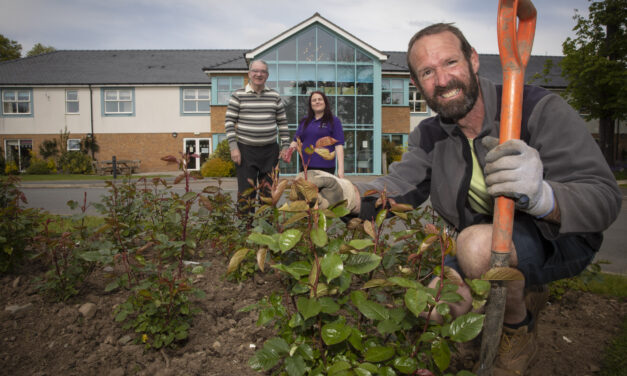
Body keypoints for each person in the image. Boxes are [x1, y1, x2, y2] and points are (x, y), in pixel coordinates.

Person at [303, 23, 622, 375]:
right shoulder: (430, 134)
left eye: (451, 62)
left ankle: (518, 329)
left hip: (560, 238)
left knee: (474, 247)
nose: (442, 80)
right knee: (434, 306)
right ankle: (481, 326)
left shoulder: (536, 108)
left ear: (473, 60)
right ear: (416, 84)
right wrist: (348, 195)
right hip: (485, 243)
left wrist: (542, 195)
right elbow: (400, 184)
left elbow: (604, 197)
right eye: (427, 71)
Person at [225, 60, 290, 213]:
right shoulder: (238, 95)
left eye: (263, 72)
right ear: (249, 73)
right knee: (246, 193)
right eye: (255, 71)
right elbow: (229, 122)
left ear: (267, 75)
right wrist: (233, 148)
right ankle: (245, 230)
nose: (259, 74)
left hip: (270, 152)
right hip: (245, 151)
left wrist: (286, 145)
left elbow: (282, 123)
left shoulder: (274, 96)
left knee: (269, 192)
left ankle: (265, 229)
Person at [282, 91, 345, 178]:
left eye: (320, 99)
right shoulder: (305, 121)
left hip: (326, 168)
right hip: (306, 167)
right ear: (311, 104)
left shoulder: (334, 121)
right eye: (314, 100)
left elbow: (339, 145)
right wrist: (288, 152)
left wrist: (341, 169)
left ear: (325, 102)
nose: (317, 102)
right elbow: (296, 141)